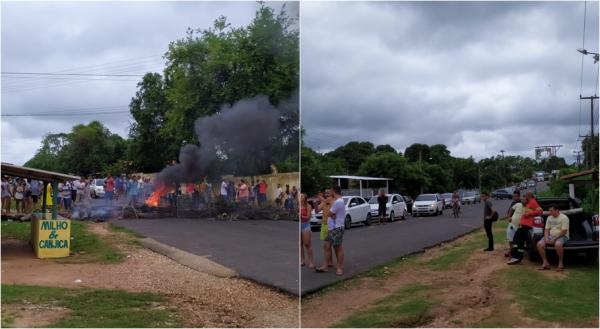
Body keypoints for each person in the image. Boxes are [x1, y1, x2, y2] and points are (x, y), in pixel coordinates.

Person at [508, 192, 543, 265]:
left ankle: (517, 257)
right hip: (523, 224)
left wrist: (529, 214)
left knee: (519, 241)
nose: (524, 197)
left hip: (526, 225)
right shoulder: (529, 202)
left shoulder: (533, 202)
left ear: (529, 196)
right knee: (516, 240)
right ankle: (515, 256)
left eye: (525, 196)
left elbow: (540, 211)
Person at [318, 185, 346, 276]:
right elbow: (330, 214)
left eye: (330, 191)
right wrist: (331, 214)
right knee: (326, 246)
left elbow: (329, 213)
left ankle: (340, 268)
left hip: (337, 227)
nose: (329, 193)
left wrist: (331, 214)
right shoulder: (336, 201)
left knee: (338, 248)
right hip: (331, 228)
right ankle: (325, 266)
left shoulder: (339, 201)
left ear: (334, 191)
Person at [537, 204, 570, 271]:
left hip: (562, 236)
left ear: (557, 210)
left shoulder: (564, 218)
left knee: (557, 244)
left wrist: (554, 239)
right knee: (539, 244)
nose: (549, 212)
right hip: (551, 236)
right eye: (549, 211)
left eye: (551, 211)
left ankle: (560, 263)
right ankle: (545, 263)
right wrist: (546, 238)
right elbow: (546, 229)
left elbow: (564, 231)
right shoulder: (549, 217)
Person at [316, 189, 334, 270]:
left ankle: (326, 264)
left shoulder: (333, 201)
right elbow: (317, 210)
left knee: (327, 245)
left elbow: (329, 204)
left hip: (331, 224)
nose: (326, 194)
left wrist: (322, 199)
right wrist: (315, 202)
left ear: (332, 194)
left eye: (328, 193)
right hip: (324, 224)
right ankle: (330, 261)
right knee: (327, 245)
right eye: (325, 193)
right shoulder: (324, 202)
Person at [505, 191, 523, 257]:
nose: (514, 197)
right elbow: (510, 210)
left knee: (517, 239)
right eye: (513, 196)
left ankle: (516, 251)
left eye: (515, 196)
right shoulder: (513, 202)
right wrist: (509, 217)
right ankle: (511, 250)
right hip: (512, 223)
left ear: (519, 196)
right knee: (510, 237)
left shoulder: (521, 203)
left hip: (520, 224)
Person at [300, 193, 315, 268]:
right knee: (300, 244)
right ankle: (302, 260)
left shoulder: (308, 206)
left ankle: (311, 261)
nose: (300, 197)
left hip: (305, 225)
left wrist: (301, 215)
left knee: (307, 244)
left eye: (302, 196)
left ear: (305, 198)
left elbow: (308, 217)